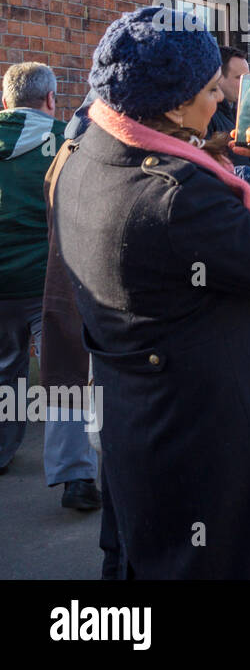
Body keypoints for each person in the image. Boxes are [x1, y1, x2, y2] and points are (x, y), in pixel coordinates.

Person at [54, 6, 250, 578]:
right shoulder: (178, 196)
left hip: (142, 431)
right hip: (213, 446)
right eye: (211, 89)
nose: (221, 103)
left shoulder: (84, 158)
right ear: (175, 104)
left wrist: (203, 161)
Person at [0, 62, 100, 508]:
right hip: (48, 280)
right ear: (51, 100)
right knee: (64, 376)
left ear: (5, 103)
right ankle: (75, 476)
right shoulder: (67, 141)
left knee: (5, 370)